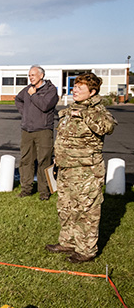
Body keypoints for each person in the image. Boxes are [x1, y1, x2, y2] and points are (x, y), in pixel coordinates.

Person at [46, 73, 117, 263]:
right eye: (74, 86)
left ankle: (86, 250)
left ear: (92, 92)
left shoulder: (97, 110)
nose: (74, 90)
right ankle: (68, 241)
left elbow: (107, 127)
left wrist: (85, 114)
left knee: (86, 210)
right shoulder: (70, 109)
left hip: (86, 170)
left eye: (80, 87)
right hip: (66, 168)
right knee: (66, 207)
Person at [15, 65, 59, 200]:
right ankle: (26, 189)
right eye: (29, 75)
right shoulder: (27, 89)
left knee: (44, 161)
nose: (30, 78)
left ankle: (44, 191)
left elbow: (45, 106)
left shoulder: (50, 91)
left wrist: (34, 95)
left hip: (43, 130)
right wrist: (25, 114)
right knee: (26, 160)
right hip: (27, 130)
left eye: (33, 75)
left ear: (41, 76)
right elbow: (18, 99)